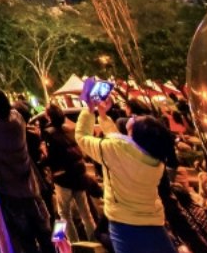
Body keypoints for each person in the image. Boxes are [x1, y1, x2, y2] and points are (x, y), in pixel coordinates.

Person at [75, 82, 177, 253]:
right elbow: (122, 143)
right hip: (153, 222)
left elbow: (82, 137)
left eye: (137, 120)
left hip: (123, 224)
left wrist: (89, 109)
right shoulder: (155, 161)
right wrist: (103, 116)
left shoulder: (115, 150)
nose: (132, 118)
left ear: (138, 135)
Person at [0, 88, 51, 253]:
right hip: (31, 188)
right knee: (45, 236)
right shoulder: (17, 119)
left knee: (25, 240)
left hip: (10, 192)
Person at [41, 104, 100, 244]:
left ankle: (72, 244)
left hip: (63, 178)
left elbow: (52, 157)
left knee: (63, 213)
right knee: (86, 213)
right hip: (78, 175)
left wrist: (43, 160)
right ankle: (95, 241)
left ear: (48, 116)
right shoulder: (69, 130)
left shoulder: (48, 133)